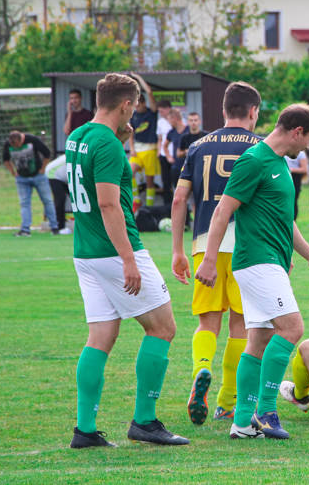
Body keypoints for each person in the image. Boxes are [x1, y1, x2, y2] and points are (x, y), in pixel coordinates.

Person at [194, 103, 309, 440]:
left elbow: (286, 220)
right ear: (296, 131)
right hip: (257, 261)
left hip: (269, 262)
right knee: (292, 328)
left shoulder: (279, 164)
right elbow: (221, 211)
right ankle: (266, 411)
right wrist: (210, 260)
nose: (308, 146)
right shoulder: (254, 160)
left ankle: (242, 423)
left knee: (257, 340)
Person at [66, 73, 188, 448]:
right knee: (163, 328)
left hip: (85, 251)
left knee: (101, 335)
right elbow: (106, 202)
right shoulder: (106, 144)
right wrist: (128, 260)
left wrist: (121, 139)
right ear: (125, 105)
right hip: (115, 251)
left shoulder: (80, 135)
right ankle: (145, 421)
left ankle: (85, 430)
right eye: (133, 105)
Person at [171, 82, 262, 426]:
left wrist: (179, 249)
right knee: (242, 325)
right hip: (247, 247)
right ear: (253, 111)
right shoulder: (261, 147)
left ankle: (201, 369)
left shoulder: (197, 146)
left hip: (204, 245)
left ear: (223, 111)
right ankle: (227, 400)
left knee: (207, 321)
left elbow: (180, 199)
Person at [2, 130, 59, 236]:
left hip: (38, 176)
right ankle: (25, 230)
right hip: (22, 179)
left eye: (18, 145)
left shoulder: (32, 140)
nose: (16, 147)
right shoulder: (8, 144)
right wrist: (13, 172)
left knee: (47, 201)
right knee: (24, 203)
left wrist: (43, 169)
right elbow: (6, 160)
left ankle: (54, 227)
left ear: (21, 139)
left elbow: (47, 153)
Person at [128, 73, 159, 209]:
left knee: (149, 181)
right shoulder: (133, 116)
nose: (137, 107)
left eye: (139, 104)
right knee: (129, 172)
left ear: (143, 103)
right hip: (137, 150)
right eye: (135, 105)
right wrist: (132, 148)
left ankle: (149, 207)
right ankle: (136, 200)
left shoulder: (151, 112)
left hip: (150, 149)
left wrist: (137, 77)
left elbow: (150, 92)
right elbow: (130, 133)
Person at [46, 153, 73, 234]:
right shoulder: (73, 156)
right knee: (60, 200)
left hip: (63, 177)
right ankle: (59, 227)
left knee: (76, 200)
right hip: (53, 174)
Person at [156, 99, 175, 206]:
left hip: (174, 155)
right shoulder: (160, 122)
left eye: (162, 111)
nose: (160, 113)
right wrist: (159, 151)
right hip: (163, 155)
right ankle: (167, 205)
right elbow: (159, 138)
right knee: (165, 181)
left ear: (168, 109)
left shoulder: (177, 120)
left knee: (176, 181)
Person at [165, 108, 187, 196]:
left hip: (187, 166)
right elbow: (164, 145)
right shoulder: (171, 132)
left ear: (174, 118)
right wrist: (168, 157)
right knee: (177, 192)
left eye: (169, 120)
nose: (169, 122)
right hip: (176, 166)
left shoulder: (188, 130)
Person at [286, 150, 308, 219]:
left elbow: (304, 169)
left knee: (293, 201)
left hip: (295, 178)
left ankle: (293, 220)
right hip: (284, 176)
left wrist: (291, 170)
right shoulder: (283, 151)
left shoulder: (301, 153)